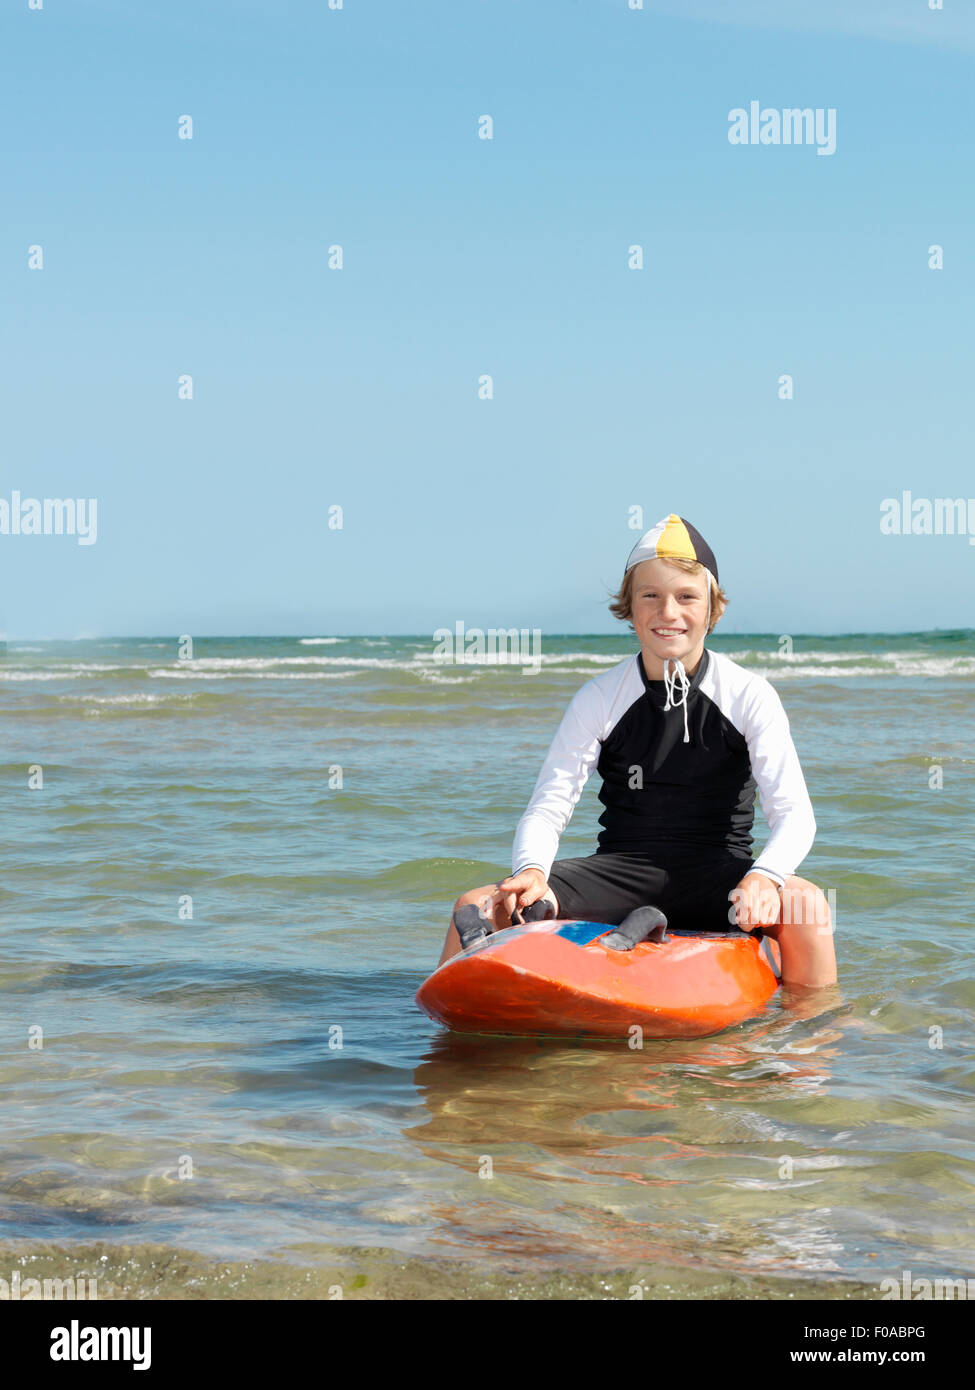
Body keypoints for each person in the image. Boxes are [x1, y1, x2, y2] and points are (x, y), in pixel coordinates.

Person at [438, 513, 837, 990]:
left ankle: (810, 1036)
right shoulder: (600, 697)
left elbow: (795, 815)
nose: (669, 612)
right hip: (620, 875)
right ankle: (453, 1021)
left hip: (720, 879)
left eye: (687, 597)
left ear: (714, 608)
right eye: (651, 596)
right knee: (477, 904)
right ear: (629, 607)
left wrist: (764, 879)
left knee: (808, 906)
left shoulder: (749, 695)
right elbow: (550, 805)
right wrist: (532, 871)